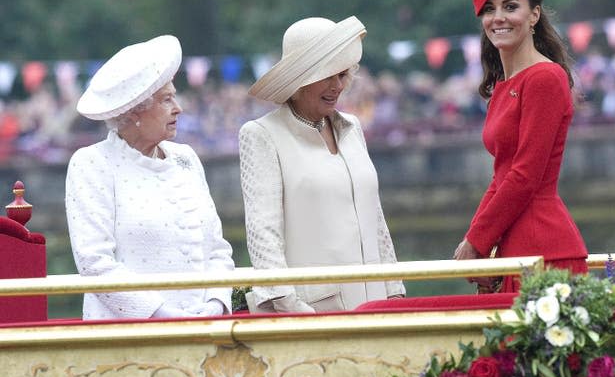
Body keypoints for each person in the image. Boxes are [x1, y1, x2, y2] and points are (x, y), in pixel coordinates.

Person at [238, 16, 405, 313]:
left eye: (342, 75)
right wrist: (291, 307)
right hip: (316, 313)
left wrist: (394, 292)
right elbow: (263, 233)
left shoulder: (352, 127)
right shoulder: (262, 135)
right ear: (299, 79)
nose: (337, 85)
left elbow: (375, 218)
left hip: (378, 307)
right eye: (327, 75)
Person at [65, 35, 235, 320]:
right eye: (167, 99)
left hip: (206, 329)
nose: (178, 108)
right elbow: (94, 263)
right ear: (134, 113)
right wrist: (163, 315)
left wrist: (216, 304)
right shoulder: (92, 163)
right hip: (130, 340)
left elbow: (218, 249)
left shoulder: (186, 158)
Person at [453, 0, 588, 292]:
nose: (497, 18)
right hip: (515, 246)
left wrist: (477, 243)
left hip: (545, 249)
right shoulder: (504, 84)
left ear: (534, 15)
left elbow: (525, 175)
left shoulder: (545, 78)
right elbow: (502, 176)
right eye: (490, 9)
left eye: (510, 7)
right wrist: (478, 242)